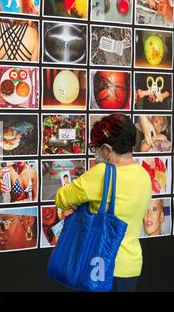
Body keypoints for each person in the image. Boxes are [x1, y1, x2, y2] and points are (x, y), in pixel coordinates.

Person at [54, 113, 152, 292]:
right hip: (131, 266)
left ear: (107, 148)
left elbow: (61, 198)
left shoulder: (102, 173)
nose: (96, 152)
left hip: (99, 264)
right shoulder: (144, 176)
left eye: (96, 147)